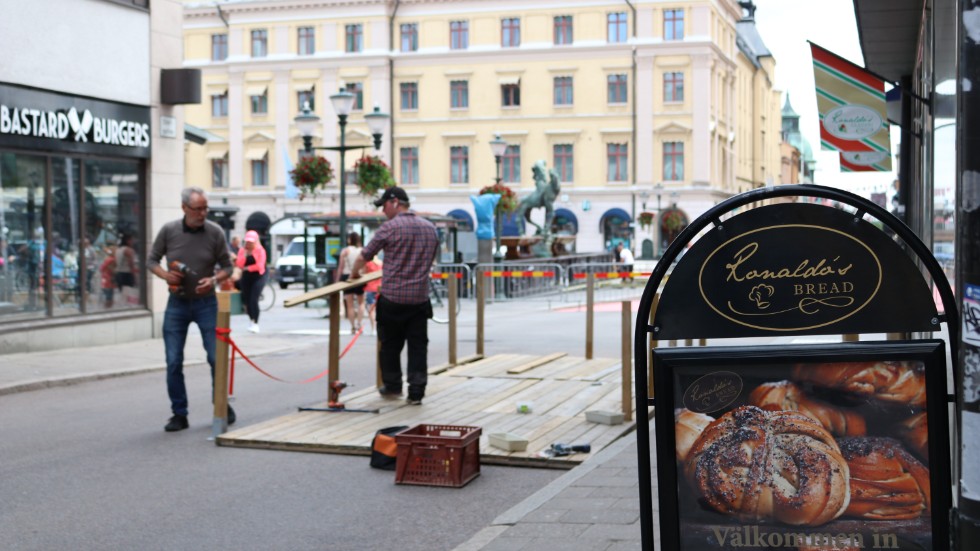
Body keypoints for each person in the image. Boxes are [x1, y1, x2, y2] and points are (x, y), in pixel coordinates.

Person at [147, 187, 234, 433]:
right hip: (177, 304)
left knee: (215, 357)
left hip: (206, 304)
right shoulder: (169, 231)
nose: (203, 213)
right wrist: (165, 275)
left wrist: (214, 280)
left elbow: (228, 266)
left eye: (206, 208)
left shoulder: (215, 232)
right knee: (173, 360)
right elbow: (151, 260)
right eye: (198, 209)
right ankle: (179, 414)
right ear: (184, 208)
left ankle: (221, 406)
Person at [350, 187, 438, 405]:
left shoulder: (389, 228)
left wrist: (354, 275)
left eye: (384, 206)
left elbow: (364, 256)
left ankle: (393, 386)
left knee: (390, 346)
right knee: (418, 347)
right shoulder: (430, 228)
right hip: (419, 299)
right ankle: (416, 391)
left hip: (392, 299)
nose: (383, 211)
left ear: (395, 202)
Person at [235, 230, 267, 333]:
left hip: (259, 276)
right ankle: (251, 320)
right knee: (247, 300)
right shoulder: (242, 250)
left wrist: (247, 268)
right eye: (247, 242)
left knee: (254, 299)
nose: (249, 244)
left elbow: (259, 266)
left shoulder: (260, 250)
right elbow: (239, 264)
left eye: (251, 242)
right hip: (246, 277)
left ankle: (256, 322)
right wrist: (244, 255)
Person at [336, 233, 365, 333]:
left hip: (347, 277)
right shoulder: (362, 250)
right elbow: (365, 265)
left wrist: (337, 280)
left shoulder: (345, 251)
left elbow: (341, 267)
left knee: (350, 304)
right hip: (359, 277)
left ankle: (352, 326)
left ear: (349, 239)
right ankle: (359, 323)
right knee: (361, 302)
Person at [115, 233, 138, 303]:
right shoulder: (128, 250)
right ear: (128, 241)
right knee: (128, 293)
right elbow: (131, 263)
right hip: (127, 273)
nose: (133, 241)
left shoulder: (118, 250)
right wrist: (134, 275)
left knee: (121, 293)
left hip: (119, 273)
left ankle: (122, 305)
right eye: (132, 240)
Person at [362, 258, 382, 334]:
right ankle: (378, 328)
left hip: (370, 288)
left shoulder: (368, 263)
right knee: (378, 309)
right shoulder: (381, 263)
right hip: (380, 288)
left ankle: (373, 328)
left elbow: (364, 274)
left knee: (371, 309)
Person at [99, 244, 117, 309]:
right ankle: (108, 308)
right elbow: (102, 268)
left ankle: (107, 307)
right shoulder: (111, 259)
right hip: (109, 279)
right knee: (109, 296)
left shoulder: (109, 259)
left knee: (108, 295)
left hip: (106, 278)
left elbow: (101, 268)